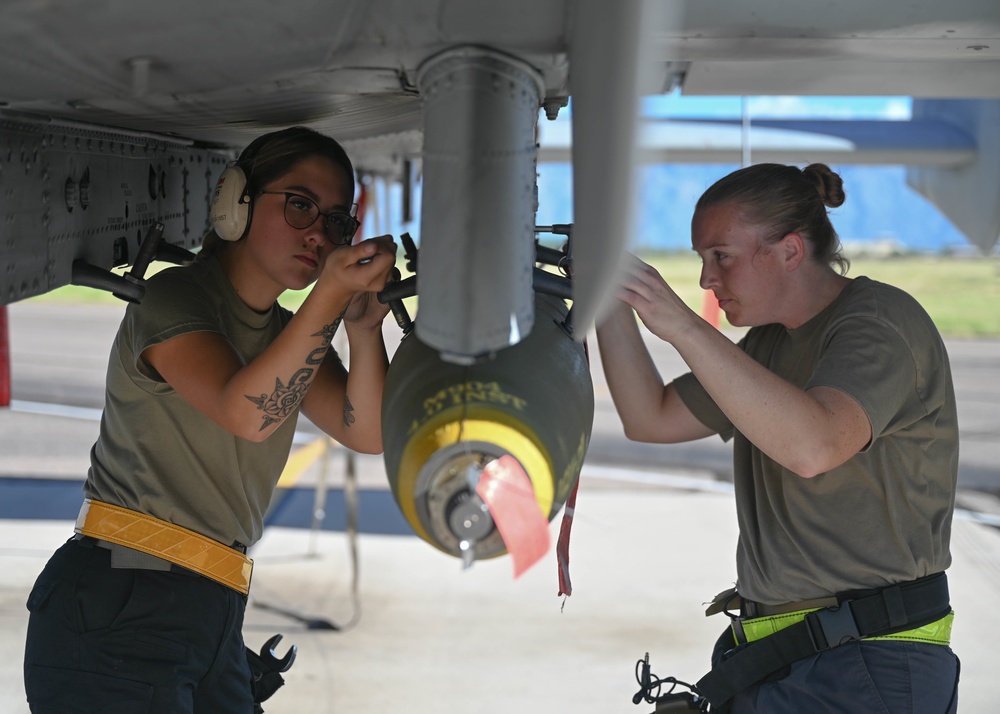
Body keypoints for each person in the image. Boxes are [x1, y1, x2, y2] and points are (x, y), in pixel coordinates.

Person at [23, 126, 398, 713]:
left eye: (335, 221)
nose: (318, 235)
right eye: (299, 205)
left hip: (209, 604)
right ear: (237, 203)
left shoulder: (285, 336)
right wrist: (327, 297)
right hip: (122, 601)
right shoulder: (174, 299)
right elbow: (245, 411)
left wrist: (363, 327)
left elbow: (366, 431)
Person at [597, 163, 960, 713]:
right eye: (702, 260)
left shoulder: (878, 323)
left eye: (721, 256)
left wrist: (683, 325)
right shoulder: (768, 344)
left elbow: (815, 446)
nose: (705, 281)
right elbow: (651, 417)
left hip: (867, 661)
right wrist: (608, 301)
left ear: (791, 251)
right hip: (787, 653)